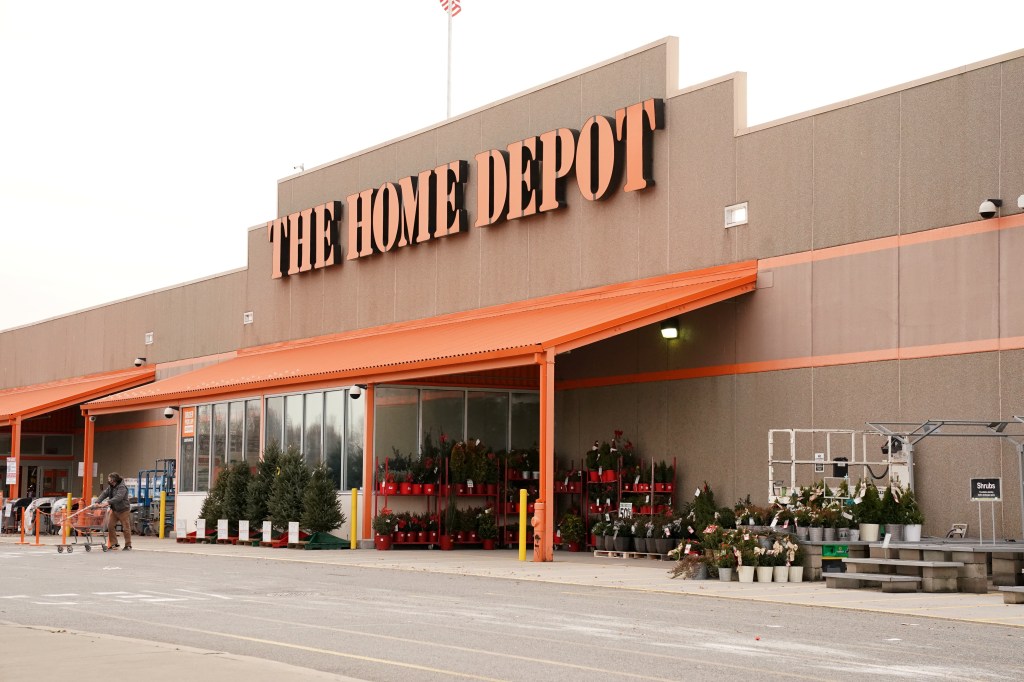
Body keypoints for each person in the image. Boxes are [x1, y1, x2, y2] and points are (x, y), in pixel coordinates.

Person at [95, 472, 132, 550]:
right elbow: (104, 493)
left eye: (109, 479)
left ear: (113, 480)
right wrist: (98, 501)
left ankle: (128, 545)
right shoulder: (111, 487)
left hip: (123, 510)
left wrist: (107, 502)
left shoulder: (122, 487)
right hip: (114, 510)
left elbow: (119, 497)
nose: (108, 480)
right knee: (110, 525)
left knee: (126, 527)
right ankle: (114, 543)